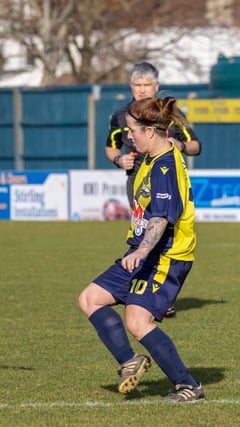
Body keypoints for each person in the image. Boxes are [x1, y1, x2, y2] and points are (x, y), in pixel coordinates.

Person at [79, 96, 204, 403]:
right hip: (144, 251)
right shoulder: (151, 156)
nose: (128, 136)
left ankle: (188, 386)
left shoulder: (165, 166)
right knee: (90, 299)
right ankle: (129, 361)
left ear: (150, 131)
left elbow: (161, 218)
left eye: (133, 130)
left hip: (166, 256)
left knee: (137, 322)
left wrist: (140, 252)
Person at [105, 62, 202, 318]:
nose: (142, 90)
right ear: (131, 87)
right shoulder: (120, 115)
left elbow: (195, 146)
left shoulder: (166, 114)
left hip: (163, 179)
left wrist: (178, 145)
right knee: (142, 231)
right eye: (137, 85)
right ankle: (143, 288)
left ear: (156, 87)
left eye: (147, 85)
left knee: (160, 227)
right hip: (137, 181)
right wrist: (118, 160)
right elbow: (111, 147)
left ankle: (156, 292)